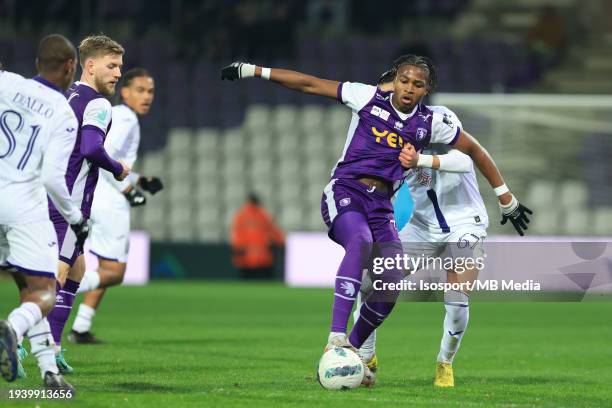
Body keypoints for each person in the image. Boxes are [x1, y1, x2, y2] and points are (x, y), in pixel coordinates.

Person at [221, 55, 530, 386]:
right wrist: (255, 71)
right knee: (362, 243)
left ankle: (357, 352)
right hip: (349, 191)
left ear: (428, 89)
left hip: (390, 208)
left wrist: (505, 197)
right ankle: (338, 339)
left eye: (418, 84)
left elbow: (473, 153)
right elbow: (310, 83)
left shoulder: (431, 123)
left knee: (391, 279)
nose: (409, 88)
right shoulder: (366, 96)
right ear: (394, 80)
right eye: (404, 80)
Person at [354, 63, 532, 387]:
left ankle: (444, 362)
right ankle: (365, 356)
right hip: (422, 226)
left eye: (411, 85)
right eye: (391, 89)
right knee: (369, 281)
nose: (398, 93)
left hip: (466, 223)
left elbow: (465, 159)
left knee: (456, 296)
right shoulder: (382, 140)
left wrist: (421, 160)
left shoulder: (437, 120)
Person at [0, 34, 88, 391]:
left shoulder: (6, 83)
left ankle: (49, 373)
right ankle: (13, 328)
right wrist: (76, 218)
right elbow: (53, 177)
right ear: (71, 67)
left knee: (26, 284)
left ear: (37, 63)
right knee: (43, 292)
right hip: (23, 205)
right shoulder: (65, 115)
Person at [44, 34, 130, 374]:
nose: (118, 73)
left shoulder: (65, 96)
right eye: (112, 66)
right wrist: (119, 168)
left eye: (120, 67)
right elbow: (92, 148)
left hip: (46, 195)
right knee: (58, 276)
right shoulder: (98, 103)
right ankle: (21, 337)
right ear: (90, 65)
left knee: (77, 269)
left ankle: (52, 346)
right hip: (69, 204)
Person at [68, 67, 163, 344]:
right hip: (108, 202)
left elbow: (115, 162)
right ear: (124, 92)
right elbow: (104, 156)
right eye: (140, 90)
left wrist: (140, 180)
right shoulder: (126, 119)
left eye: (151, 91)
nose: (147, 97)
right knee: (114, 273)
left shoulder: (122, 116)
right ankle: (52, 292)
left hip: (95, 197)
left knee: (104, 269)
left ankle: (81, 327)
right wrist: (129, 189)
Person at [231, 193, 284, 280]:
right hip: (262, 254)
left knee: (246, 279)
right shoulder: (264, 215)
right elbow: (274, 231)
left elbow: (237, 234)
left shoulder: (240, 216)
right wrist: (281, 242)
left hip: (246, 253)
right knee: (262, 279)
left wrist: (237, 249)